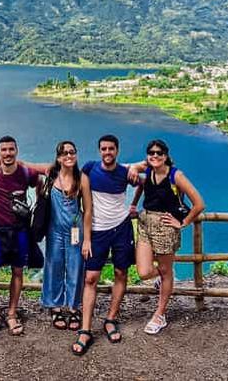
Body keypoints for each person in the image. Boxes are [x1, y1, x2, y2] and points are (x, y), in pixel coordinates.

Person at [72, 134, 139, 356]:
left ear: (117, 150)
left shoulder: (125, 172)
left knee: (121, 272)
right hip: (97, 231)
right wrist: (86, 238)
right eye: (104, 149)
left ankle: (111, 319)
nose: (107, 152)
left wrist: (134, 203)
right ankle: (85, 329)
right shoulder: (90, 169)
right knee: (90, 278)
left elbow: (147, 178)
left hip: (121, 228)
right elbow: (82, 197)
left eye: (111, 149)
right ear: (99, 150)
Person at [132, 139, 205, 335]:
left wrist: (183, 222)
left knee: (165, 271)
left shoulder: (176, 175)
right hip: (145, 223)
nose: (155, 156)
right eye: (151, 153)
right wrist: (133, 204)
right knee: (144, 272)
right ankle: (166, 277)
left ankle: (160, 314)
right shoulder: (148, 170)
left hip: (166, 227)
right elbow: (141, 185)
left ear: (166, 156)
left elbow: (199, 204)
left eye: (159, 153)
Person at [0, 136, 40, 339]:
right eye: (3, 150)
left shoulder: (25, 172)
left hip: (19, 229)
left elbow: (40, 180)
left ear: (16, 151)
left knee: (17, 271)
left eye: (11, 149)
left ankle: (12, 313)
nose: (7, 153)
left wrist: (38, 205)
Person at [40, 141, 92, 331]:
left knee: (75, 268)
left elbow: (88, 210)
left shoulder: (82, 178)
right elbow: (29, 167)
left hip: (75, 231)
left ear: (76, 154)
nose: (68, 156)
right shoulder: (51, 175)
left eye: (71, 152)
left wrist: (87, 240)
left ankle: (73, 307)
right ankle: (55, 306)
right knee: (54, 266)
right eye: (64, 153)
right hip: (54, 230)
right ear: (58, 157)